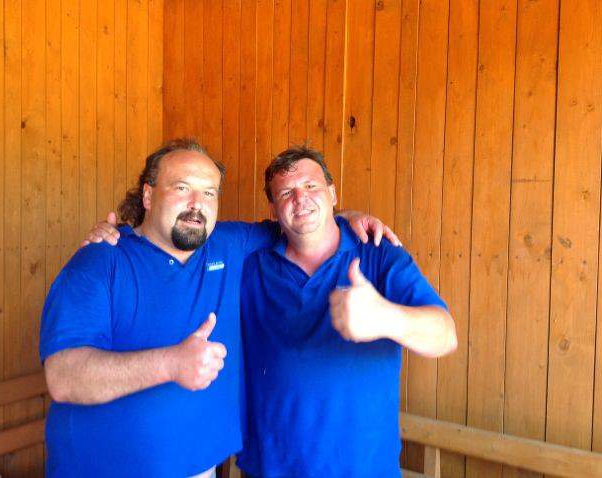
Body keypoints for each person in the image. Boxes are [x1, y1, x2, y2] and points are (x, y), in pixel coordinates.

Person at [40, 138, 396, 478]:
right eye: (182, 187)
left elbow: (302, 221)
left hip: (201, 467)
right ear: (148, 195)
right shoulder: (100, 262)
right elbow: (63, 376)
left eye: (209, 192)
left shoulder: (229, 244)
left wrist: (347, 216)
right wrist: (170, 363)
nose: (197, 203)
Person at [236, 146, 457, 477]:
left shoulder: (378, 254)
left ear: (333, 193)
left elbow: (445, 335)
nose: (300, 198)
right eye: (285, 192)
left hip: (363, 468)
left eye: (311, 186)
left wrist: (385, 317)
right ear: (273, 208)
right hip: (270, 468)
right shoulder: (251, 264)